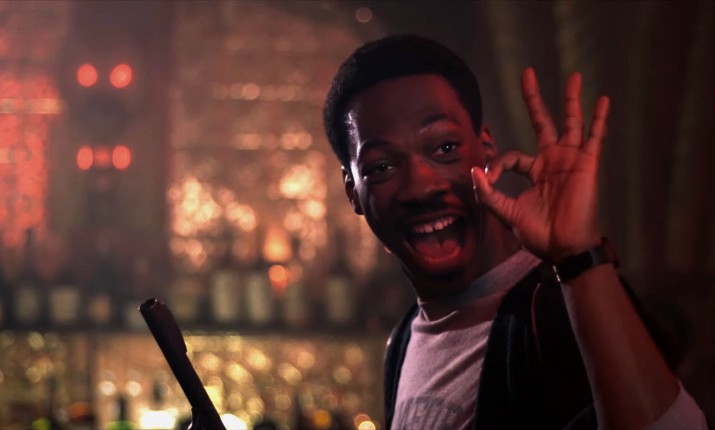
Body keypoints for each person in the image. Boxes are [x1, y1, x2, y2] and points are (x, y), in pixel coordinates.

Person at [323, 34, 708, 429]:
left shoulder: (568, 306)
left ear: (486, 146)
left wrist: (579, 255)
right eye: (382, 167)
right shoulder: (402, 342)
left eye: (445, 148)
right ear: (353, 191)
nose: (421, 188)